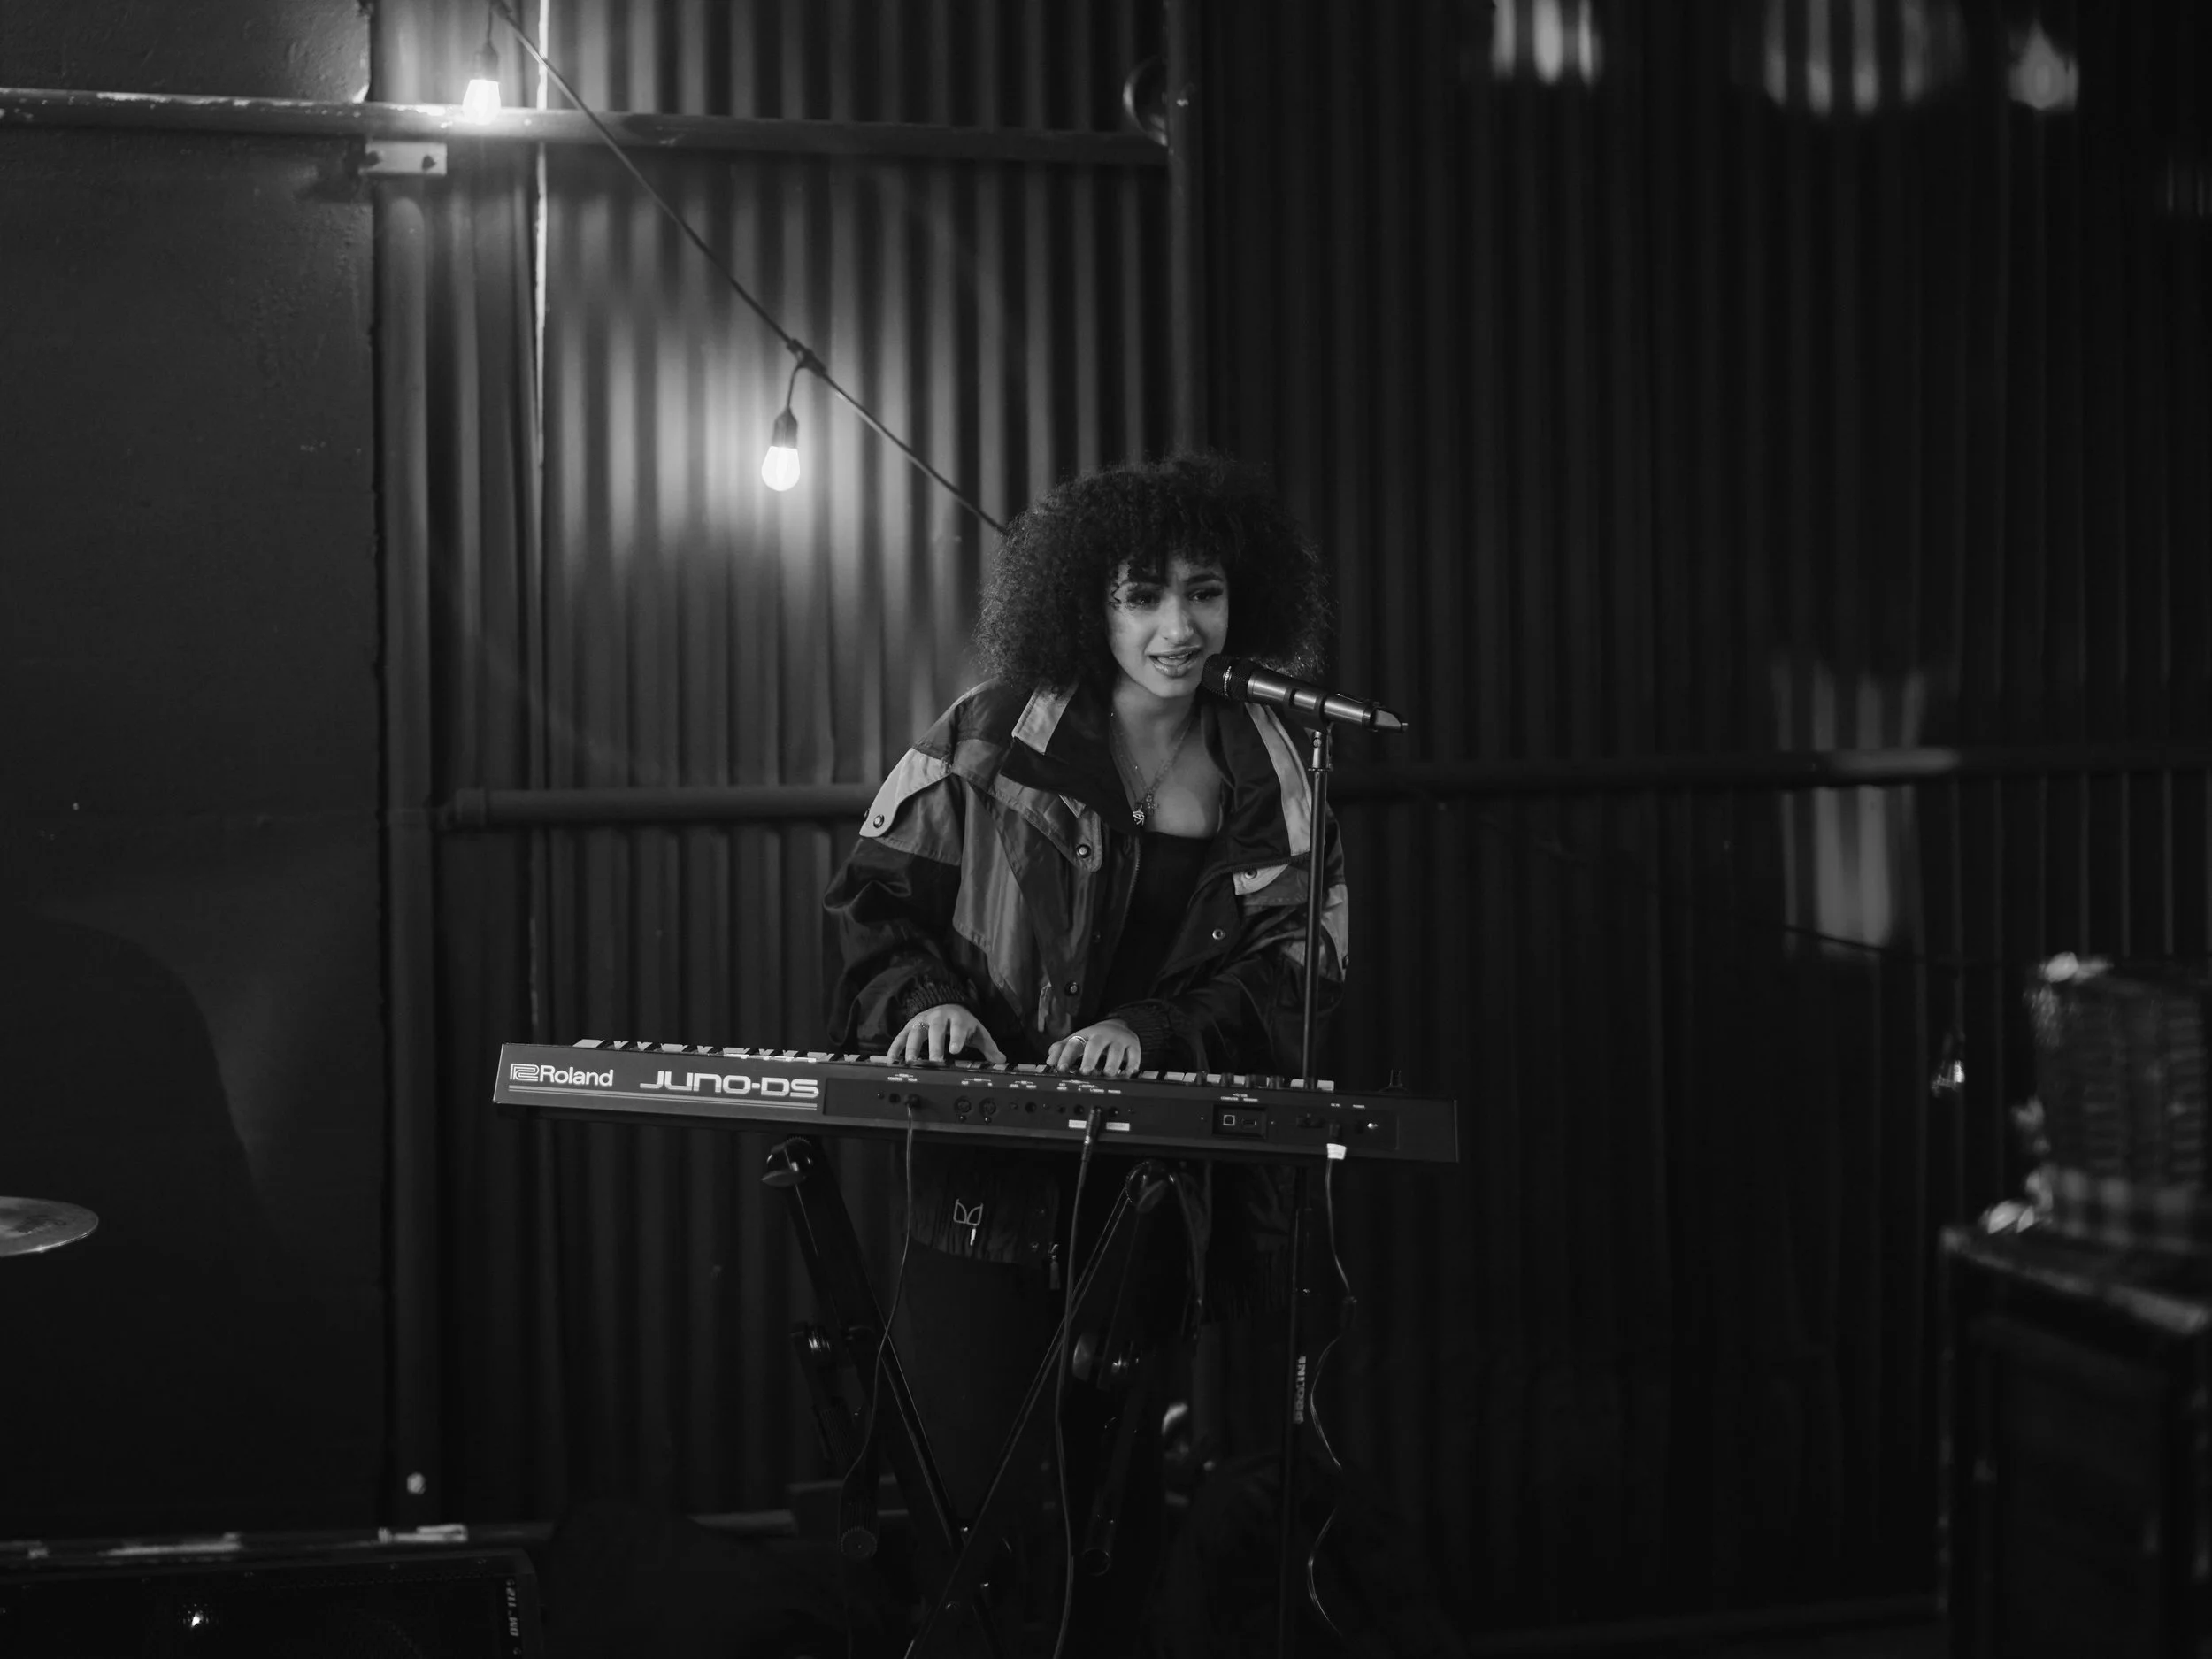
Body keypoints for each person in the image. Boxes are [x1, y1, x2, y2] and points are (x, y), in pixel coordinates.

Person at [822, 452, 1347, 1653]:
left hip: (1152, 1198)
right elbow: (870, 902)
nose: (1177, 628)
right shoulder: (993, 734)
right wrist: (926, 1006)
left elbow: (1298, 965)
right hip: (984, 1190)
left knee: (1115, 1519)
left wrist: (1148, 1033)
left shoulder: (1272, 766)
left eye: (1203, 593)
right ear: (1085, 603)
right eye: (1141, 596)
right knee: (972, 1518)